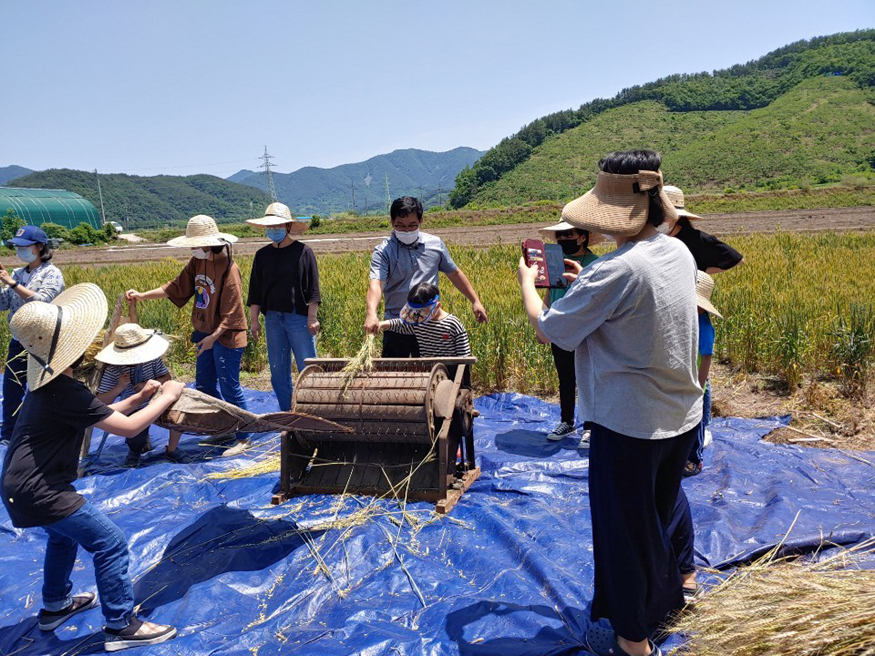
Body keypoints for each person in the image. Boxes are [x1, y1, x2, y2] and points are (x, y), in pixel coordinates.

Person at [518, 150, 702, 656]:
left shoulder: (616, 271)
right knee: (658, 517)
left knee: (622, 534)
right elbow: (633, 303)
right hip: (679, 416)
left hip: (628, 426)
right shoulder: (676, 251)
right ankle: (668, 600)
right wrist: (587, 281)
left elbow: (550, 331)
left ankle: (632, 640)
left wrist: (529, 287)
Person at [0, 283, 184, 650]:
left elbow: (100, 415)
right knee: (110, 542)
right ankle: (121, 624)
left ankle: (56, 605)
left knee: (62, 536)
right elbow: (128, 428)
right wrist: (167, 396)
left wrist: (139, 396)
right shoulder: (65, 390)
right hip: (42, 490)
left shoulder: (52, 388)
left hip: (19, 486)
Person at [125, 215, 252, 457]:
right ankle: (224, 428)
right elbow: (175, 287)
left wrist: (213, 338)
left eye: (196, 244)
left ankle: (244, 437)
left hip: (226, 337)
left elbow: (233, 313)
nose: (193, 249)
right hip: (204, 334)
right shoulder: (197, 262)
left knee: (230, 387)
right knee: (204, 387)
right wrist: (142, 295)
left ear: (209, 244)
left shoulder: (229, 269)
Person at [364, 196, 487, 356]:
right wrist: (371, 313)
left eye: (412, 225)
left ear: (421, 221)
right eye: (400, 226)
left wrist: (475, 301)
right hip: (396, 325)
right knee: (395, 370)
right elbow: (376, 284)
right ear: (392, 222)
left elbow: (455, 274)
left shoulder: (435, 245)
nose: (406, 230)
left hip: (428, 325)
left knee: (429, 369)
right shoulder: (383, 251)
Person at [246, 203, 320, 411]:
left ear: (288, 226)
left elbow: (313, 288)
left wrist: (312, 318)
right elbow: (255, 291)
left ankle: (312, 412)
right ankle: (288, 413)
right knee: (278, 372)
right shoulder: (262, 255)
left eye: (277, 225)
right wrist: (254, 320)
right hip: (272, 319)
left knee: (308, 367)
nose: (273, 229)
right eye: (270, 226)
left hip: (298, 318)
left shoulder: (303, 252)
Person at [0, 225, 65, 445]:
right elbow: (3, 304)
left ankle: (48, 431)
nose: (20, 251)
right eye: (17, 247)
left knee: (45, 387)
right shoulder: (18, 273)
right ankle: (9, 433)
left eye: (25, 247)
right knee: (12, 388)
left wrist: (13, 284)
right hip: (19, 340)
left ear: (39, 247)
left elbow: (43, 300)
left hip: (43, 341)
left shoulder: (51, 273)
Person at [539, 220, 601, 445]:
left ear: (583, 237)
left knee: (589, 378)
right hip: (559, 326)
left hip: (585, 329)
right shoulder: (554, 262)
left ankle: (591, 426)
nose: (564, 239)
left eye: (569, 235)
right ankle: (567, 421)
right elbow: (549, 292)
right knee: (565, 377)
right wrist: (542, 322)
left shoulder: (595, 264)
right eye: (560, 236)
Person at [96, 323, 190, 466]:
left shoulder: (152, 360)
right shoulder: (114, 369)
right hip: (134, 407)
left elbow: (166, 377)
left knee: (179, 412)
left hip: (158, 401)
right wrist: (120, 387)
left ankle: (172, 449)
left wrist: (149, 384)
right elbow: (101, 401)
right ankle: (135, 451)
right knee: (136, 438)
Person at [683, 272, 722, 477]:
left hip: (696, 382)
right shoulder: (688, 320)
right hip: (685, 379)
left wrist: (699, 386)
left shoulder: (704, 326)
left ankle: (695, 460)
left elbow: (706, 358)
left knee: (696, 423)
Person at [662, 185, 743, 273]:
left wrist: (698, 272)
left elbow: (735, 259)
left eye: (665, 215)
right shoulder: (651, 236)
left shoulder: (696, 238)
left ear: (678, 217)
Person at [378, 282, 471, 357]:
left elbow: (464, 356)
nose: (419, 316)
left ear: (437, 306)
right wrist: (381, 324)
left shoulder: (453, 324)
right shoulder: (418, 322)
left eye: (423, 312)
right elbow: (400, 325)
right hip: (427, 369)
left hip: (451, 370)